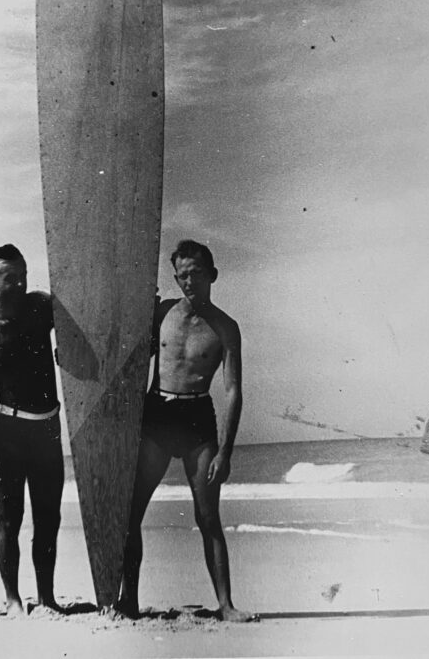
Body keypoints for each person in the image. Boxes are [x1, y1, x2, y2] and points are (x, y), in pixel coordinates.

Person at [118, 239, 254, 622]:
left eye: (195, 273)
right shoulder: (161, 313)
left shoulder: (226, 328)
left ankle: (226, 605)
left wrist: (226, 452)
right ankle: (129, 599)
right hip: (158, 414)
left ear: (212, 274)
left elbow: (233, 391)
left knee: (208, 517)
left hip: (198, 419)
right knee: (132, 513)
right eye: (181, 275)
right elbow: (127, 356)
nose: (188, 281)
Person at [0, 244, 64, 616]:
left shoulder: (41, 307)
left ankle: (47, 597)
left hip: (48, 428)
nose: (20, 284)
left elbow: (79, 332)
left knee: (49, 517)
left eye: (23, 275)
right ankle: (13, 599)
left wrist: (66, 353)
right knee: (10, 517)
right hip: (9, 432)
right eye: (10, 279)